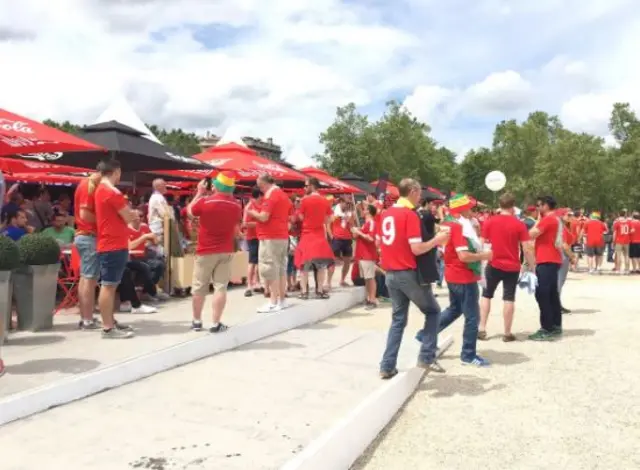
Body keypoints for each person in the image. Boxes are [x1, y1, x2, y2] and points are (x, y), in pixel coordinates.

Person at [378, 178, 449, 380]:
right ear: (412, 191)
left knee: (398, 320)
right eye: (418, 193)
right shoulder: (408, 215)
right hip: (407, 272)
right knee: (433, 311)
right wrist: (437, 240)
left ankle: (387, 365)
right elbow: (416, 248)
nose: (420, 197)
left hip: (390, 273)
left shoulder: (386, 213)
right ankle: (426, 357)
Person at [436, 194, 493, 367]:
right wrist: (485, 255)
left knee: (454, 309)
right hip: (463, 276)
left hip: (453, 274)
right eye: (468, 207)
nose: (472, 210)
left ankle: (424, 335)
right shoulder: (458, 226)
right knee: (472, 317)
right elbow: (464, 256)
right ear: (461, 209)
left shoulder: (447, 222)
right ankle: (468, 355)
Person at [188, 172, 241, 332]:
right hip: (225, 250)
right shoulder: (237, 205)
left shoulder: (205, 201)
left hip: (205, 250)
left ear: (215, 186)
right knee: (220, 287)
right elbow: (236, 230)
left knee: (199, 287)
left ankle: (197, 321)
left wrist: (199, 192)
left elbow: (190, 212)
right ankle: (215, 322)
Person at [478, 193, 535, 342]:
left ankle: (482, 328)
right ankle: (507, 332)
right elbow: (526, 248)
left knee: (486, 295)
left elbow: (481, 243)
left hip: (493, 263)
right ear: (512, 206)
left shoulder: (490, 221)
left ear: (500, 204)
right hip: (512, 265)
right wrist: (531, 265)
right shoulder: (519, 224)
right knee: (509, 298)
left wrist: (480, 260)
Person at [94, 159, 136, 339]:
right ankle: (108, 327)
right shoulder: (112, 192)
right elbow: (128, 217)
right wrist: (133, 214)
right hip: (113, 243)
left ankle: (109, 321)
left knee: (109, 285)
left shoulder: (100, 190)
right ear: (116, 171)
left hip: (109, 242)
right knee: (109, 286)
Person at [248, 174, 293, 313]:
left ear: (266, 184)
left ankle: (273, 302)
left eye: (261, 186)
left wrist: (252, 212)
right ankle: (281, 300)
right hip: (282, 236)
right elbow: (290, 216)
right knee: (280, 269)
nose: (260, 189)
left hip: (270, 237)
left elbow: (264, 217)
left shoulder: (271, 196)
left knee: (269, 268)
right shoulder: (283, 196)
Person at [528, 195, 563, 341]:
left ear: (546, 206)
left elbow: (531, 234)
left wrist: (534, 223)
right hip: (552, 259)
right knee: (552, 294)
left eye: (539, 205)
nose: (537, 208)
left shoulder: (548, 219)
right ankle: (555, 325)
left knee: (542, 294)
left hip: (546, 259)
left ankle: (547, 328)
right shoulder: (555, 218)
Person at [295, 177, 334, 299]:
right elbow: (328, 219)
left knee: (304, 265)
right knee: (321, 265)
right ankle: (320, 290)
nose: (305, 188)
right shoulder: (325, 201)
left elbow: (300, 217)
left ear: (312, 186)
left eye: (306, 185)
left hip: (307, 234)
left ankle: (304, 292)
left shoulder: (304, 200)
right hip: (319, 236)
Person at [73, 172, 103, 330]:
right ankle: (87, 320)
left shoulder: (85, 184)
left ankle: (86, 317)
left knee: (87, 279)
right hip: (89, 236)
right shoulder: (87, 186)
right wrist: (104, 221)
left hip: (86, 236)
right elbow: (84, 214)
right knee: (89, 279)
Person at [127, 210, 169, 303]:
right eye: (139, 216)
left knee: (159, 265)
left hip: (143, 255)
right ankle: (152, 292)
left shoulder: (144, 227)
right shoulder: (126, 229)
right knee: (144, 267)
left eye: (141, 216)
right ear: (132, 218)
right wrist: (144, 238)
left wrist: (149, 241)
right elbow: (129, 246)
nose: (141, 218)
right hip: (131, 257)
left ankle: (147, 292)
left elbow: (155, 241)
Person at [352, 204, 378, 308]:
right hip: (362, 254)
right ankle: (369, 298)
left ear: (369, 212)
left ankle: (372, 299)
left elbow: (371, 238)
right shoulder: (365, 224)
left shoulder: (371, 223)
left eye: (365, 209)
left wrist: (359, 232)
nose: (363, 211)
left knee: (370, 278)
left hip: (368, 254)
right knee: (367, 278)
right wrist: (356, 231)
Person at [329, 197, 354, 288]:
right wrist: (331, 235)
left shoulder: (350, 212)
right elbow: (328, 223)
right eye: (346, 203)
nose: (347, 205)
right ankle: (329, 281)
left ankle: (342, 280)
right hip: (337, 238)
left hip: (347, 238)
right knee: (333, 260)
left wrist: (349, 217)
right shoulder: (334, 210)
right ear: (341, 202)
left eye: (348, 203)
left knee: (347, 261)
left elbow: (352, 224)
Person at [242, 186, 263, 297]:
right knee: (252, 261)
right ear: (259, 195)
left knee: (259, 261)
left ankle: (257, 283)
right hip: (252, 237)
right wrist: (261, 222)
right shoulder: (249, 206)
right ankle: (249, 285)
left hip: (260, 236)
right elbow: (245, 223)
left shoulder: (259, 205)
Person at [557, 209, 576, 313]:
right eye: (568, 215)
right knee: (559, 281)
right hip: (562, 256)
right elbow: (564, 245)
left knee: (559, 281)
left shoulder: (563, 227)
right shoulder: (562, 228)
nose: (571, 217)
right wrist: (572, 256)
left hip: (560, 255)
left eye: (571, 215)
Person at [147, 178, 173, 249]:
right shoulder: (158, 198)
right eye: (164, 184)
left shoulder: (157, 197)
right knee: (160, 253)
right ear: (158, 187)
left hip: (158, 228)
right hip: (158, 229)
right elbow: (165, 214)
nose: (166, 185)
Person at [613, 210, 632, 274]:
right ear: (625, 215)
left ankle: (618, 270)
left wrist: (613, 241)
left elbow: (615, 233)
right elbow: (632, 230)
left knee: (619, 255)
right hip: (627, 240)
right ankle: (627, 269)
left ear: (619, 214)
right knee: (626, 255)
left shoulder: (617, 222)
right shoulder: (629, 222)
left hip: (619, 241)